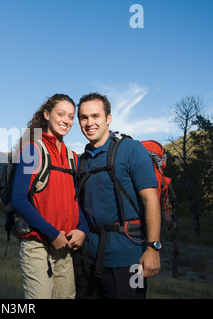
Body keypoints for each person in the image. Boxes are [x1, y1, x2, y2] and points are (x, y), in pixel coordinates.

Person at [75, 92, 161, 299]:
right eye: (84, 117)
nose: (89, 123)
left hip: (131, 259)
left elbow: (151, 200)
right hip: (89, 259)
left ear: (108, 118)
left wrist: (153, 249)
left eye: (95, 116)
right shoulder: (82, 160)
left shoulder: (131, 149)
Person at [10, 93, 88, 299]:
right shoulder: (32, 149)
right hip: (37, 245)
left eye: (71, 116)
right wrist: (52, 234)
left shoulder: (73, 157)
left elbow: (76, 200)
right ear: (46, 114)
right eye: (61, 114)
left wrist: (83, 229)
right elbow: (18, 198)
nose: (66, 120)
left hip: (65, 246)